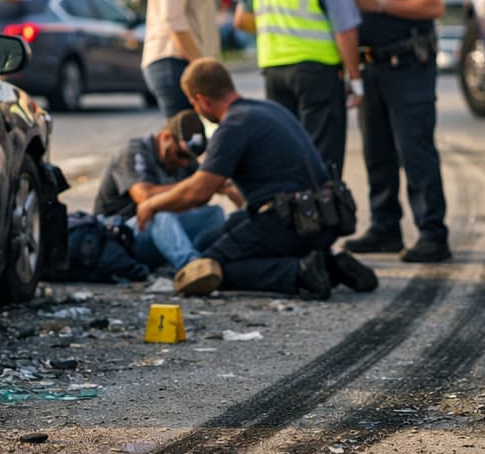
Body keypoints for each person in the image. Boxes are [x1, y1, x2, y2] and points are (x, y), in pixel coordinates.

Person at [136, 58, 377, 299]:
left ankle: (302, 273)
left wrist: (151, 204)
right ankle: (328, 263)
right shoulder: (269, 110)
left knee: (208, 268)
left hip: (291, 222)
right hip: (322, 217)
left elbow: (198, 192)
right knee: (217, 235)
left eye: (193, 103)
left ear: (201, 100)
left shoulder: (233, 126)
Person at [336, 0, 451, 263]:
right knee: (377, 153)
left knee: (415, 151)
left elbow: (434, 5)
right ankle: (385, 227)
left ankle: (433, 234)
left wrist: (381, 3)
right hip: (371, 70)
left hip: (407, 68)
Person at [233, 0, 363, 176]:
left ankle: (290, 216)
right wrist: (356, 77)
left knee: (285, 150)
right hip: (317, 73)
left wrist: (278, 27)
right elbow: (345, 29)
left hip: (274, 71)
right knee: (321, 157)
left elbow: (241, 19)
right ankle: (324, 217)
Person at [92, 109, 237, 273]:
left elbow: (197, 196)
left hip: (159, 235)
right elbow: (144, 196)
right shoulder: (134, 151)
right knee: (160, 213)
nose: (184, 163)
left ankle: (211, 261)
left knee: (213, 214)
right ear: (166, 137)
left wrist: (219, 187)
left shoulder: (185, 161)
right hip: (118, 234)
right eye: (181, 155)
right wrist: (197, 184)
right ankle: (191, 267)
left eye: (190, 158)